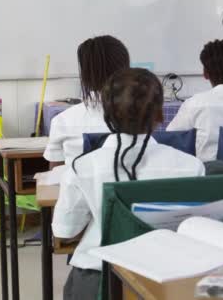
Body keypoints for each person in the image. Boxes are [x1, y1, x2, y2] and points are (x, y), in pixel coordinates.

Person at [52, 68, 205, 300]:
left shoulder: (83, 166)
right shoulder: (191, 166)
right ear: (160, 116)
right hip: (168, 279)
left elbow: (65, 230)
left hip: (99, 277)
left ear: (107, 115)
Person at [43, 35, 130, 168]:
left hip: (79, 188)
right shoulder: (142, 119)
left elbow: (54, 178)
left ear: (85, 75)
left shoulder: (63, 121)